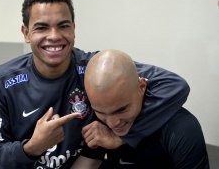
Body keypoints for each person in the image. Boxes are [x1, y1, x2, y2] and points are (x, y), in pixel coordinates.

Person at [0, 0, 190, 169]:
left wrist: (122, 136)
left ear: (74, 29)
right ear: (26, 33)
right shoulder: (3, 81)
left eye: (63, 26)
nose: (54, 36)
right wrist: (33, 147)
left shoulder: (93, 69)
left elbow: (174, 85)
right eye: (42, 27)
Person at [71, 49, 209, 169]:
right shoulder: (102, 123)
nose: (112, 123)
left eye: (121, 110)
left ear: (142, 87)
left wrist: (122, 138)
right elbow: (88, 163)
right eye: (100, 112)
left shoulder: (181, 128)